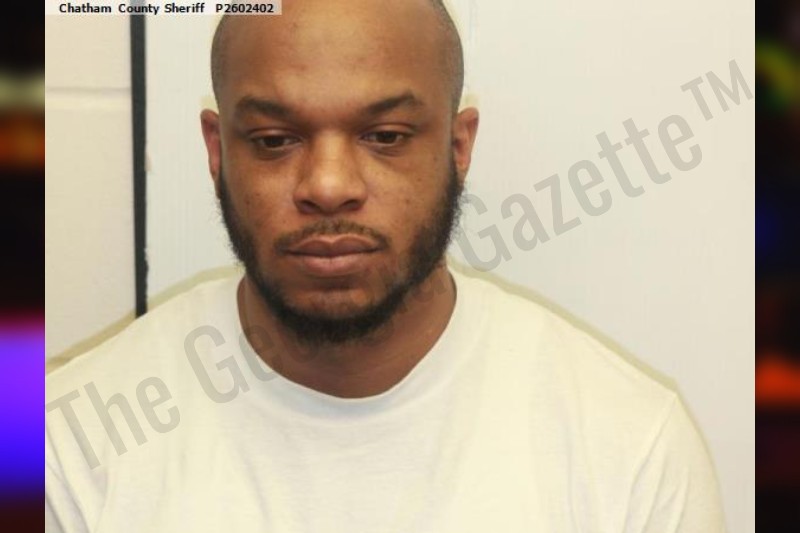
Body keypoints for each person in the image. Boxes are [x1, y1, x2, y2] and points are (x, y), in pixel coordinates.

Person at [46, 2, 727, 531]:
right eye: (275, 140)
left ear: (458, 147)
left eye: (385, 136)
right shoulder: (63, 445)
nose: (329, 185)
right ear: (218, 150)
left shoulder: (630, 449)